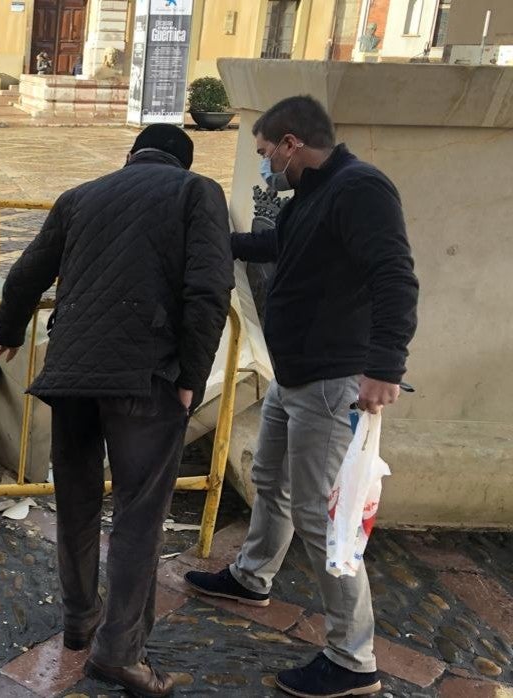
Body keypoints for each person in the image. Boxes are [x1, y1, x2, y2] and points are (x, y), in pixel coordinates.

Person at [0, 124, 233, 697]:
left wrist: (8, 332)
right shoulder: (199, 193)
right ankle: (120, 654)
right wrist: (193, 376)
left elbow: (26, 272)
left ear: (130, 157)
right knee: (138, 518)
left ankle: (80, 622)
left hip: (70, 377)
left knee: (76, 504)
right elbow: (209, 289)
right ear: (183, 162)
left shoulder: (80, 196)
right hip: (144, 378)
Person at [184, 96, 418, 698]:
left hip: (332, 381)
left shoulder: (361, 188)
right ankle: (253, 576)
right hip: (295, 378)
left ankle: (351, 658)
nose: (263, 165)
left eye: (264, 152)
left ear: (291, 143)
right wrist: (214, 241)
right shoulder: (313, 196)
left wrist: (385, 366)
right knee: (271, 479)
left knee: (321, 515)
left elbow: (395, 275)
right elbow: (274, 249)